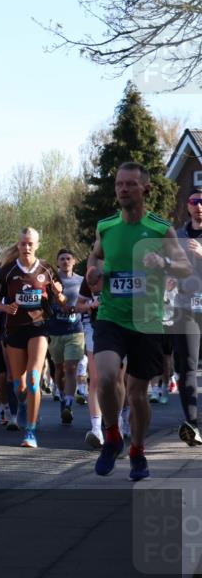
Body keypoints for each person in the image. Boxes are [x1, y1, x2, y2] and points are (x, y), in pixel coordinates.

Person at [85, 162, 191, 480]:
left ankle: (138, 450)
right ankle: (112, 435)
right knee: (104, 378)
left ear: (144, 188)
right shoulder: (106, 226)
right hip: (111, 316)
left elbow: (185, 268)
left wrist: (164, 261)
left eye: (130, 184)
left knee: (137, 395)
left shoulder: (161, 229)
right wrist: (92, 272)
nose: (123, 190)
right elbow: (95, 257)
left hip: (147, 320)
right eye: (119, 184)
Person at [0, 228, 65, 449]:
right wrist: (5, 306)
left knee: (33, 380)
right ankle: (24, 404)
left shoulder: (47, 269)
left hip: (38, 327)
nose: (27, 248)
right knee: (19, 386)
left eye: (31, 244)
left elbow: (61, 300)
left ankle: (30, 432)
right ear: (18, 244)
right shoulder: (6, 272)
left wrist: (60, 294)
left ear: (37, 245)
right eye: (23, 244)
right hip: (14, 330)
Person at [168, 189, 202, 447]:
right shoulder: (177, 237)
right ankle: (192, 423)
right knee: (187, 366)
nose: (199, 205)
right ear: (188, 206)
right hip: (185, 308)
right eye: (194, 201)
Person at [47, 248, 85, 426]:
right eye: (61, 259)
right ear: (57, 263)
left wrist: (78, 309)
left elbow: (85, 301)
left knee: (71, 368)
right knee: (59, 369)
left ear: (74, 261)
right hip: (55, 331)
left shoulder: (81, 281)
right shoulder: (51, 282)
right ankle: (62, 395)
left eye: (68, 258)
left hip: (75, 330)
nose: (65, 261)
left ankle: (68, 405)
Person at [76, 273, 104, 446]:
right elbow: (78, 305)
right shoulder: (91, 275)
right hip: (94, 327)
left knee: (118, 379)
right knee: (95, 379)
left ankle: (120, 419)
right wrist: (90, 304)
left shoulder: (122, 269)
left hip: (121, 327)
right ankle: (96, 429)